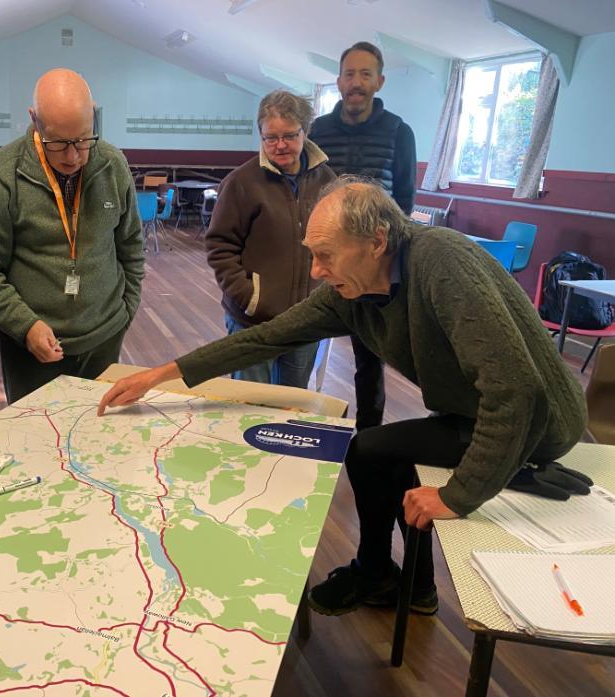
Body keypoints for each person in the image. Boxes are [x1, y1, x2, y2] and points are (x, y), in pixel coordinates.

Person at [97, 177, 587, 617]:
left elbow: (517, 391)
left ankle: (387, 574)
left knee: (374, 452)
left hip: (538, 423)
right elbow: (266, 337)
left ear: (376, 242)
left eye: (325, 255)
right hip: (476, 412)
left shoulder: (441, 260)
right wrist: (159, 375)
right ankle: (406, 585)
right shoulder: (352, 290)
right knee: (382, 455)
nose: (314, 271)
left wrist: (459, 495)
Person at [0, 69, 144, 404]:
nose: (72, 157)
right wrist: (25, 325)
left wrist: (125, 311)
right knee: (38, 448)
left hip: (105, 337)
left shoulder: (113, 165)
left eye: (83, 140)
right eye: (58, 143)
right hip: (31, 349)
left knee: (98, 442)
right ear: (34, 119)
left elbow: (130, 245)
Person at [309, 41, 417, 431]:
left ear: (379, 81)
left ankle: (367, 438)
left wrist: (388, 256)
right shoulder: (317, 130)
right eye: (350, 74)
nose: (356, 82)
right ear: (338, 81)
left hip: (375, 262)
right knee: (302, 337)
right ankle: (295, 420)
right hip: (326, 255)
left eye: (365, 74)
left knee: (370, 356)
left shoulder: (398, 132)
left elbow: (405, 197)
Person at [205, 90, 335, 388]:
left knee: (292, 407)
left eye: (289, 136)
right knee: (247, 407)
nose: (279, 146)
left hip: (306, 320)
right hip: (253, 322)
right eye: (269, 138)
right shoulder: (240, 183)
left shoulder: (326, 180)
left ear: (306, 132)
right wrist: (248, 297)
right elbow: (219, 246)